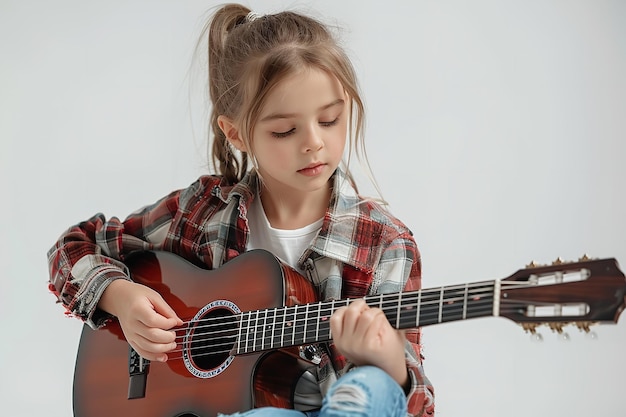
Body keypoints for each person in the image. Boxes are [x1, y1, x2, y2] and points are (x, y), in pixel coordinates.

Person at [47, 3, 435, 417]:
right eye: (285, 130)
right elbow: (73, 246)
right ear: (237, 133)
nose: (313, 143)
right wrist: (119, 297)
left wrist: (391, 361)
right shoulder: (202, 212)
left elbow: (416, 404)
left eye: (330, 120)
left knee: (371, 386)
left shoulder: (384, 241)